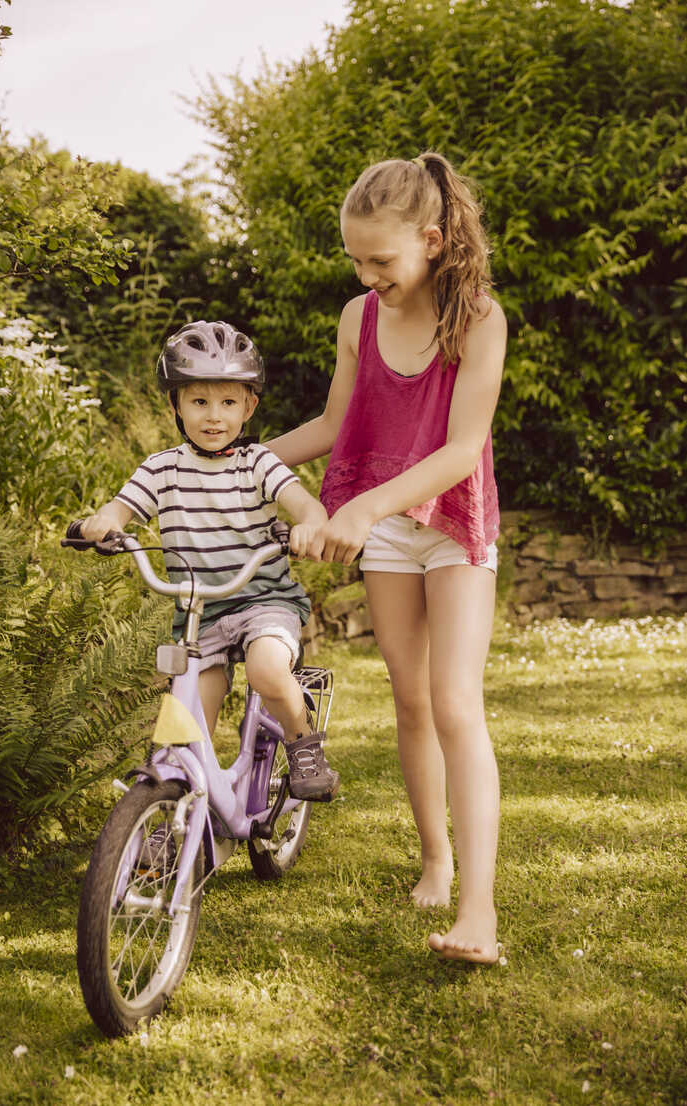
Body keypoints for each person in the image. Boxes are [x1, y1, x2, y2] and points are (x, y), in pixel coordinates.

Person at [270, 153, 506, 963]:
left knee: (452, 701)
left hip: (449, 520)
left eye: (382, 261)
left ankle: (477, 910)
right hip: (384, 529)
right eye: (355, 261)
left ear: (433, 242)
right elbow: (334, 424)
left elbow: (461, 448)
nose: (367, 276)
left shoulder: (478, 319)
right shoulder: (356, 318)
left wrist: (363, 507)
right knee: (409, 701)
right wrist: (245, 462)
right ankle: (434, 862)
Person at [80, 320, 339, 802]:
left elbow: (305, 506)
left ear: (249, 406)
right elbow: (123, 508)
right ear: (176, 405)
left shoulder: (257, 462)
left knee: (266, 671)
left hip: (265, 601)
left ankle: (303, 743)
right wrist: (105, 521)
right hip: (201, 615)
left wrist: (310, 524)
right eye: (199, 402)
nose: (214, 416)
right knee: (183, 725)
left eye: (227, 402)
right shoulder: (160, 469)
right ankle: (166, 815)